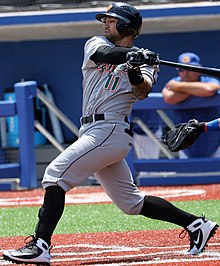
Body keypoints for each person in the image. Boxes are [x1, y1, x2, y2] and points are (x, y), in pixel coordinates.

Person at [3, 3, 218, 265]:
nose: (106, 23)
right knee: (131, 203)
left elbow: (141, 92)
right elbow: (106, 54)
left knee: (54, 175)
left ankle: (40, 246)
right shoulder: (95, 43)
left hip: (110, 129)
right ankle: (197, 224)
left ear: (127, 26)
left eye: (112, 20)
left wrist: (136, 68)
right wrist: (130, 57)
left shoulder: (146, 62)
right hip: (93, 131)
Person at [162, 52, 220, 158]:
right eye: (181, 69)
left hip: (213, 138)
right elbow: (169, 98)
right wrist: (195, 89)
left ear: (199, 68)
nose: (186, 72)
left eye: (190, 68)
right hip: (185, 141)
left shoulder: (208, 80)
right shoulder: (174, 81)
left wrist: (179, 87)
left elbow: (209, 90)